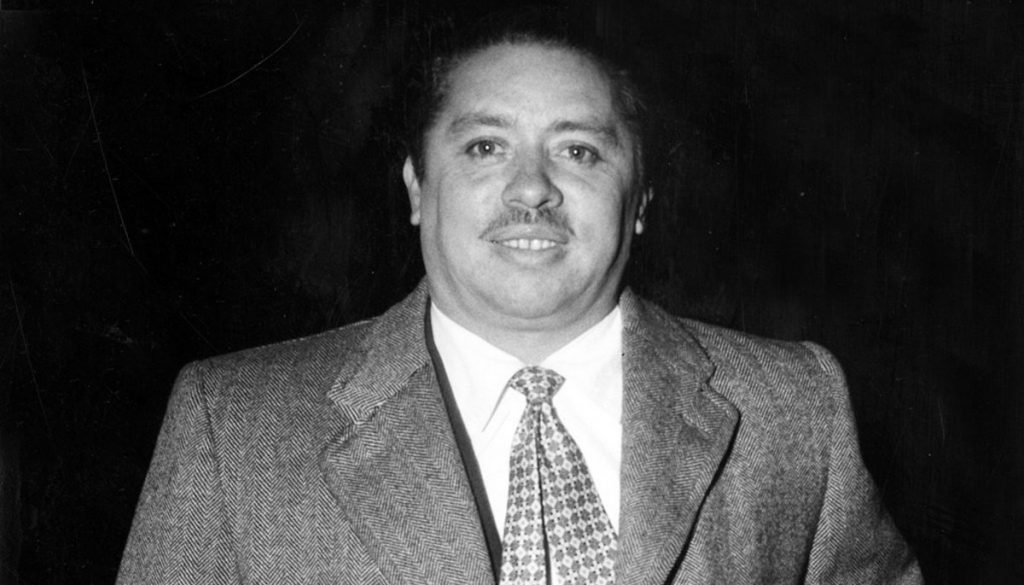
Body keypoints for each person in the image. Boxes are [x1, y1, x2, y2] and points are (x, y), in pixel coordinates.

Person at [117, 18, 923, 585]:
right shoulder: (234, 424)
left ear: (641, 197)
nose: (532, 189)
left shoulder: (793, 409)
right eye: (485, 147)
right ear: (416, 188)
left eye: (579, 150)